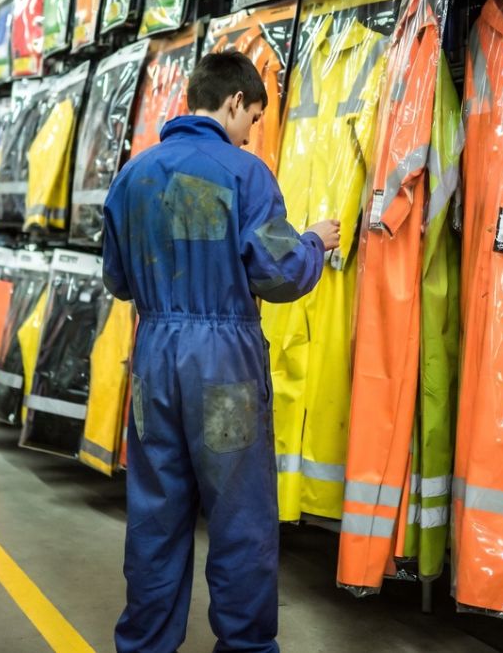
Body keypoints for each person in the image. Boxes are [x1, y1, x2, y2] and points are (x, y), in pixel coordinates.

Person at [103, 51, 340, 652]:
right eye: (254, 117)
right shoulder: (246, 174)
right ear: (235, 102)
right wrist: (315, 242)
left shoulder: (132, 176)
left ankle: (145, 644)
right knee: (239, 519)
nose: (252, 132)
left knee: (155, 516)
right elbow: (280, 273)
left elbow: (118, 281)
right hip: (224, 368)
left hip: (154, 362)